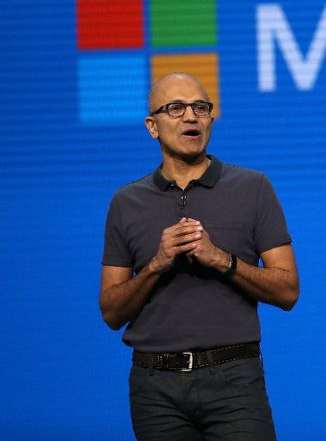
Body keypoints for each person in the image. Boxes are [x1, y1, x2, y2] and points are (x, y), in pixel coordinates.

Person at [99, 72, 299, 440]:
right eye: (175, 108)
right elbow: (111, 311)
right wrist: (156, 265)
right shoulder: (126, 202)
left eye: (201, 108)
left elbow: (288, 291)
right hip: (155, 388)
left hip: (234, 379)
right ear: (152, 126)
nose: (191, 117)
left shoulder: (253, 188)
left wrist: (223, 261)